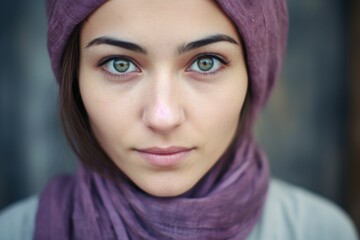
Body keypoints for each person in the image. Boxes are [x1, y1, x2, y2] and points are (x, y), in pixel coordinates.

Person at [0, 0, 358, 239]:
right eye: (119, 64)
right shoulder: (15, 232)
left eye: (206, 62)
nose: (162, 116)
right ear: (73, 77)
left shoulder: (319, 231)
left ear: (256, 73)